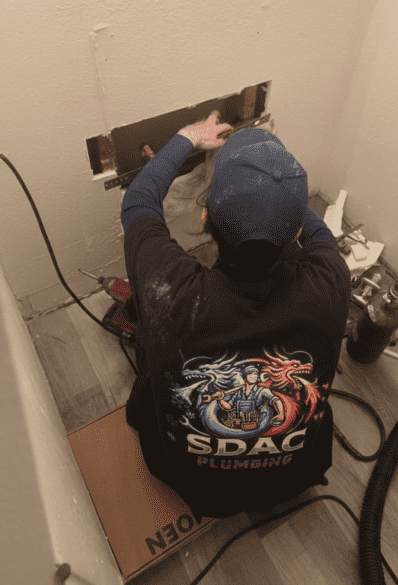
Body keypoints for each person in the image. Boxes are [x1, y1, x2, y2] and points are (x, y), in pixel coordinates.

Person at [121, 111, 350, 519]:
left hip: (193, 480)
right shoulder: (331, 282)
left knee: (148, 375)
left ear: (205, 218)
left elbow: (138, 201)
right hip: (292, 474)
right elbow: (309, 229)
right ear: (296, 232)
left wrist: (189, 137)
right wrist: (274, 181)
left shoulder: (169, 292)